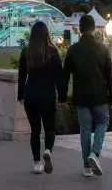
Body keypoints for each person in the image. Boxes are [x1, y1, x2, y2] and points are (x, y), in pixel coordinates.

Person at [63, 14, 112, 177]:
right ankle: (94, 153)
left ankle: (87, 166)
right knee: (102, 123)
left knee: (85, 129)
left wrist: (62, 98)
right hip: (100, 95)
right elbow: (109, 75)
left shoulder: (72, 50)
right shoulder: (103, 48)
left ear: (80, 29)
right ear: (94, 29)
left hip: (81, 97)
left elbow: (65, 76)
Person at [17, 21, 66, 174]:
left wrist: (20, 95)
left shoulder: (26, 52)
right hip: (47, 95)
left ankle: (37, 163)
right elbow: (60, 77)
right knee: (49, 128)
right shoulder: (52, 52)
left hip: (31, 95)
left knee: (35, 130)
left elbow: (21, 76)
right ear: (46, 34)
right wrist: (62, 97)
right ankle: (48, 151)